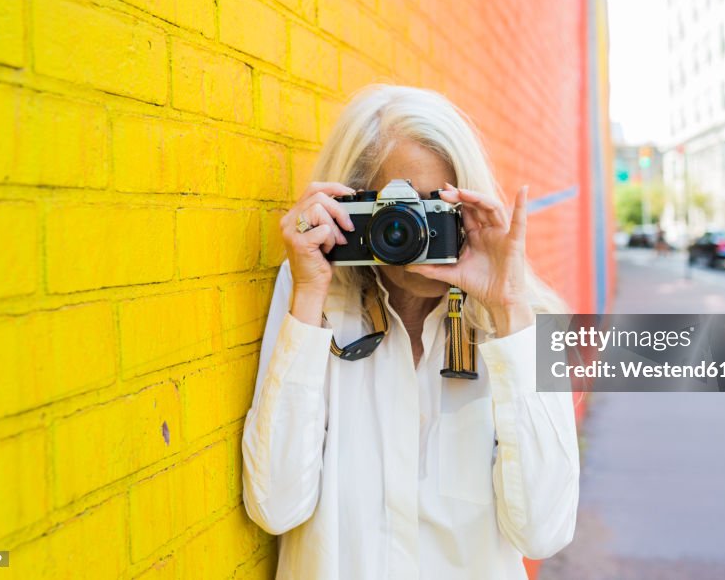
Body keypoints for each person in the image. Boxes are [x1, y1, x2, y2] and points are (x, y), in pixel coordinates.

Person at [241, 85, 580, 579]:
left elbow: (544, 531)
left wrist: (509, 311)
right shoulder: (316, 302)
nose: (408, 231)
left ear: (465, 206)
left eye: (430, 208)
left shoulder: (515, 327)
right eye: (389, 211)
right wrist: (309, 297)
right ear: (349, 207)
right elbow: (275, 505)